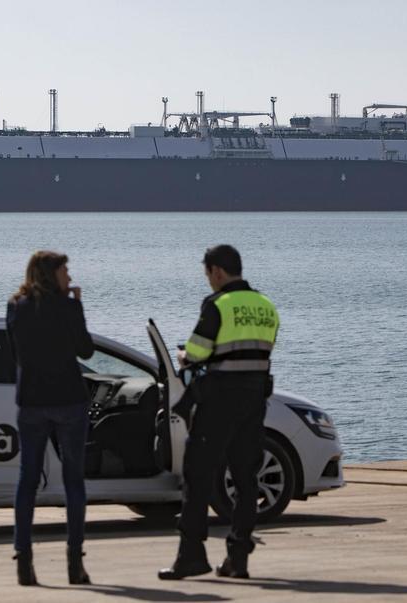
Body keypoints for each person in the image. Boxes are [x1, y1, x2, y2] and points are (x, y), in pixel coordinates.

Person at [159, 244, 279, 580]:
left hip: (219, 401)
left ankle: (191, 556)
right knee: (245, 479)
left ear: (217, 272)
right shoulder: (266, 306)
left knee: (198, 476)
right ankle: (237, 559)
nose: (209, 282)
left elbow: (197, 351)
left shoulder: (217, 305)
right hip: (254, 401)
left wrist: (184, 357)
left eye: (208, 275)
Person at [7, 250, 95, 586]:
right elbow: (85, 350)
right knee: (74, 480)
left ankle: (24, 562)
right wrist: (77, 307)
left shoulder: (16, 307)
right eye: (65, 271)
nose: (70, 278)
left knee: (27, 479)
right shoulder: (67, 307)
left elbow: (15, 353)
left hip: (31, 401)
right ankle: (74, 563)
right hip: (69, 400)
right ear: (51, 274)